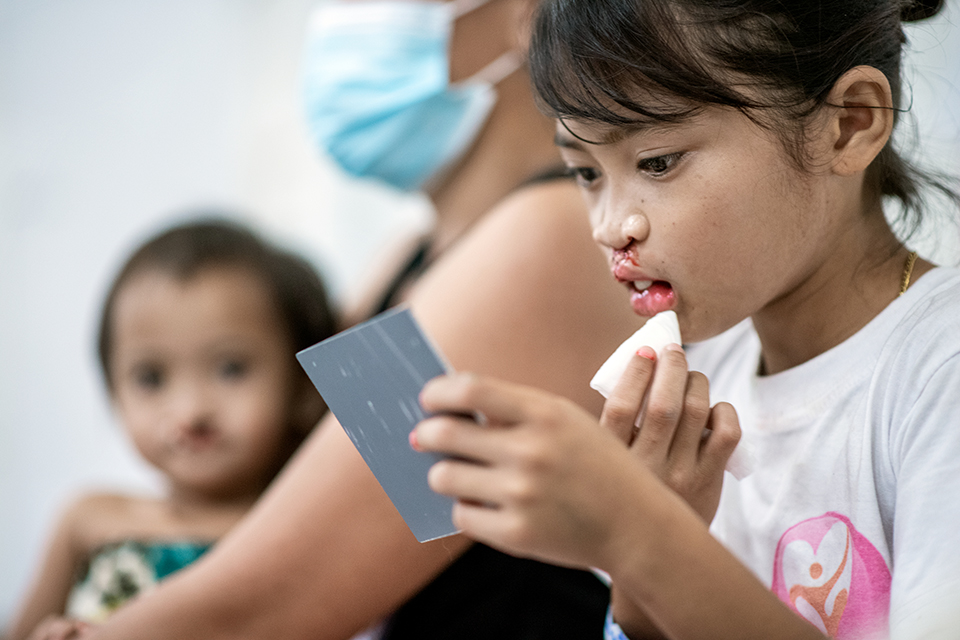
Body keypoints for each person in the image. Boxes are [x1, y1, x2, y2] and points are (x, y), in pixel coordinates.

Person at [79, 1, 645, 639]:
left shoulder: (550, 239)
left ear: (525, 17)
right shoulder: (403, 259)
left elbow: (272, 601)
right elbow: (295, 509)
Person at [410, 0, 960, 638]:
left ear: (848, 124)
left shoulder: (937, 371)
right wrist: (638, 579)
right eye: (585, 172)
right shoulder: (702, 372)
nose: (612, 226)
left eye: (658, 162)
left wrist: (640, 534)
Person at [6, 219, 336, 640]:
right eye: (150, 378)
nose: (190, 411)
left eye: (231, 368)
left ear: (304, 389)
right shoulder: (90, 521)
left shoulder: (304, 534)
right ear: (112, 391)